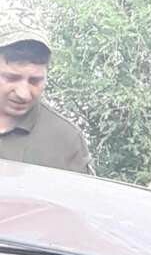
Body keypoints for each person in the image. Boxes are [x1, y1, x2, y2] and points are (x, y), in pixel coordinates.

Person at [0, 26, 90, 174]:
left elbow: (82, 196)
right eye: (11, 78)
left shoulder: (66, 140)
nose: (23, 94)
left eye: (35, 81)